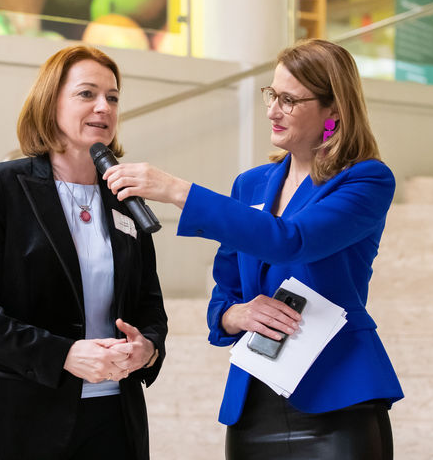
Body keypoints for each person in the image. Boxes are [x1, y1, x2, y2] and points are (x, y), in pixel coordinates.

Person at [103, 39, 404, 459]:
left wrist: (176, 191)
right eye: (271, 94)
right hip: (254, 405)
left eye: (290, 100)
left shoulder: (366, 180)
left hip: (338, 401)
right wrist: (235, 314)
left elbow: (292, 240)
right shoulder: (251, 184)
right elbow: (223, 294)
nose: (272, 110)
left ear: (333, 109)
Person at [0, 45, 167, 460]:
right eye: (87, 94)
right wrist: (63, 354)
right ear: (51, 102)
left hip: (115, 418)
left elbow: (150, 307)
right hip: (24, 415)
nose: (103, 106)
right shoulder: (0, 186)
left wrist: (147, 348)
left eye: (113, 97)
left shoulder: (124, 197)